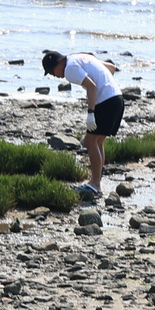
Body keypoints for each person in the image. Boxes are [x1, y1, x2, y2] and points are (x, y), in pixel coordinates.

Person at [41, 49, 124, 198]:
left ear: (59, 64)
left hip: (106, 102)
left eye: (52, 72)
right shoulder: (80, 57)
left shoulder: (69, 69)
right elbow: (111, 68)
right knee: (97, 142)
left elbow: (91, 87)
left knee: (90, 141)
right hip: (117, 98)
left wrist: (91, 113)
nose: (55, 76)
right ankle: (96, 182)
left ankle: (95, 185)